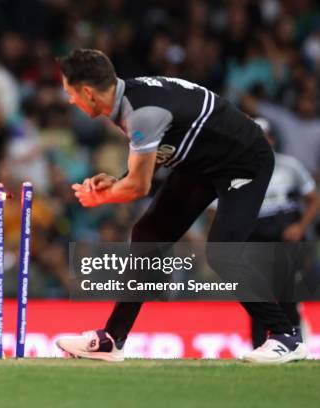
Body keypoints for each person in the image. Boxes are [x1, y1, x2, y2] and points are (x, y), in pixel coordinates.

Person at [54, 48, 307, 363]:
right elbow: (153, 157)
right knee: (148, 234)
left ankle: (286, 335)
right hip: (201, 162)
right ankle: (112, 339)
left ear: (88, 92)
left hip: (244, 161)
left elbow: (140, 186)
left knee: (223, 252)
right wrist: (116, 180)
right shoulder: (131, 99)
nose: (69, 101)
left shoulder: (140, 113)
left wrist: (103, 195)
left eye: (70, 93)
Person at [245, 118, 317, 347]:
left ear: (273, 139)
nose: (261, 141)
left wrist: (300, 227)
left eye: (264, 135)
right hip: (255, 238)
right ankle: (259, 347)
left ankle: (296, 345)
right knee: (257, 297)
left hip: (285, 237)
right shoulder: (239, 169)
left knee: (286, 294)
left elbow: (313, 198)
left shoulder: (289, 165)